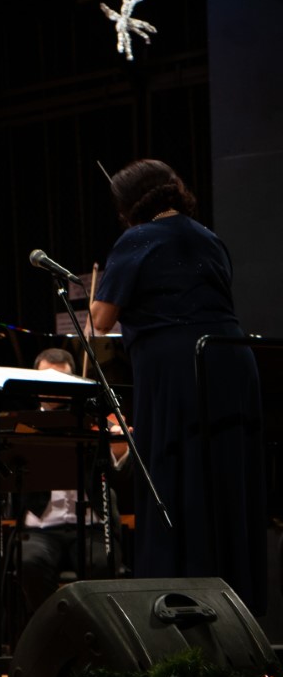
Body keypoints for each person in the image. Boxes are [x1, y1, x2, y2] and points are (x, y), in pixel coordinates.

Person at [90, 159, 266, 613]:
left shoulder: (136, 239)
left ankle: (176, 604)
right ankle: (236, 602)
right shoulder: (208, 236)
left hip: (177, 368)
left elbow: (100, 320)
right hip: (231, 360)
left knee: (173, 479)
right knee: (223, 481)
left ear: (130, 203)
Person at [13, 348, 128, 620]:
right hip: (40, 528)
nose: (52, 388)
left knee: (104, 563)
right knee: (29, 562)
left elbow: (121, 481)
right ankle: (54, 631)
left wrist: (119, 449)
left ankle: (96, 634)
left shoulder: (94, 420)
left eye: (60, 380)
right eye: (45, 380)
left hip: (91, 526)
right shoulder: (20, 424)